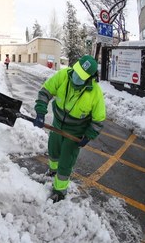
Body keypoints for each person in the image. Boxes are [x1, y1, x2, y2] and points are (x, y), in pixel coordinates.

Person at [33, 55, 106, 202]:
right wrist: (40, 112)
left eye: (81, 75)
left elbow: (98, 119)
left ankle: (60, 191)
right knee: (53, 150)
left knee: (66, 160)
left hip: (75, 131)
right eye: (76, 71)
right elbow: (45, 92)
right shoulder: (63, 76)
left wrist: (88, 135)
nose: (76, 76)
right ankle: (52, 171)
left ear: (90, 78)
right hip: (58, 124)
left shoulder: (95, 93)